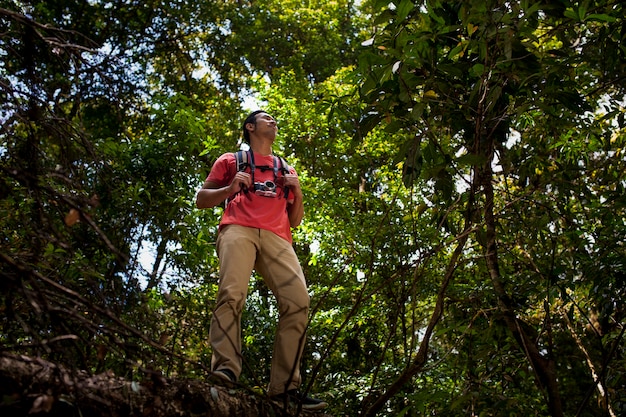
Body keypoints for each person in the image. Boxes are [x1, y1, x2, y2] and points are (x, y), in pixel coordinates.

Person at [196, 110, 326, 410]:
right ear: (250, 126)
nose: (273, 121)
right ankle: (225, 368)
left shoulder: (285, 168)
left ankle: (283, 389)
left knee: (299, 301)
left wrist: (298, 192)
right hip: (237, 229)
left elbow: (295, 221)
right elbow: (201, 199)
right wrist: (230, 189)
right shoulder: (231, 160)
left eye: (275, 119)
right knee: (231, 293)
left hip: (278, 237)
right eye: (266, 117)